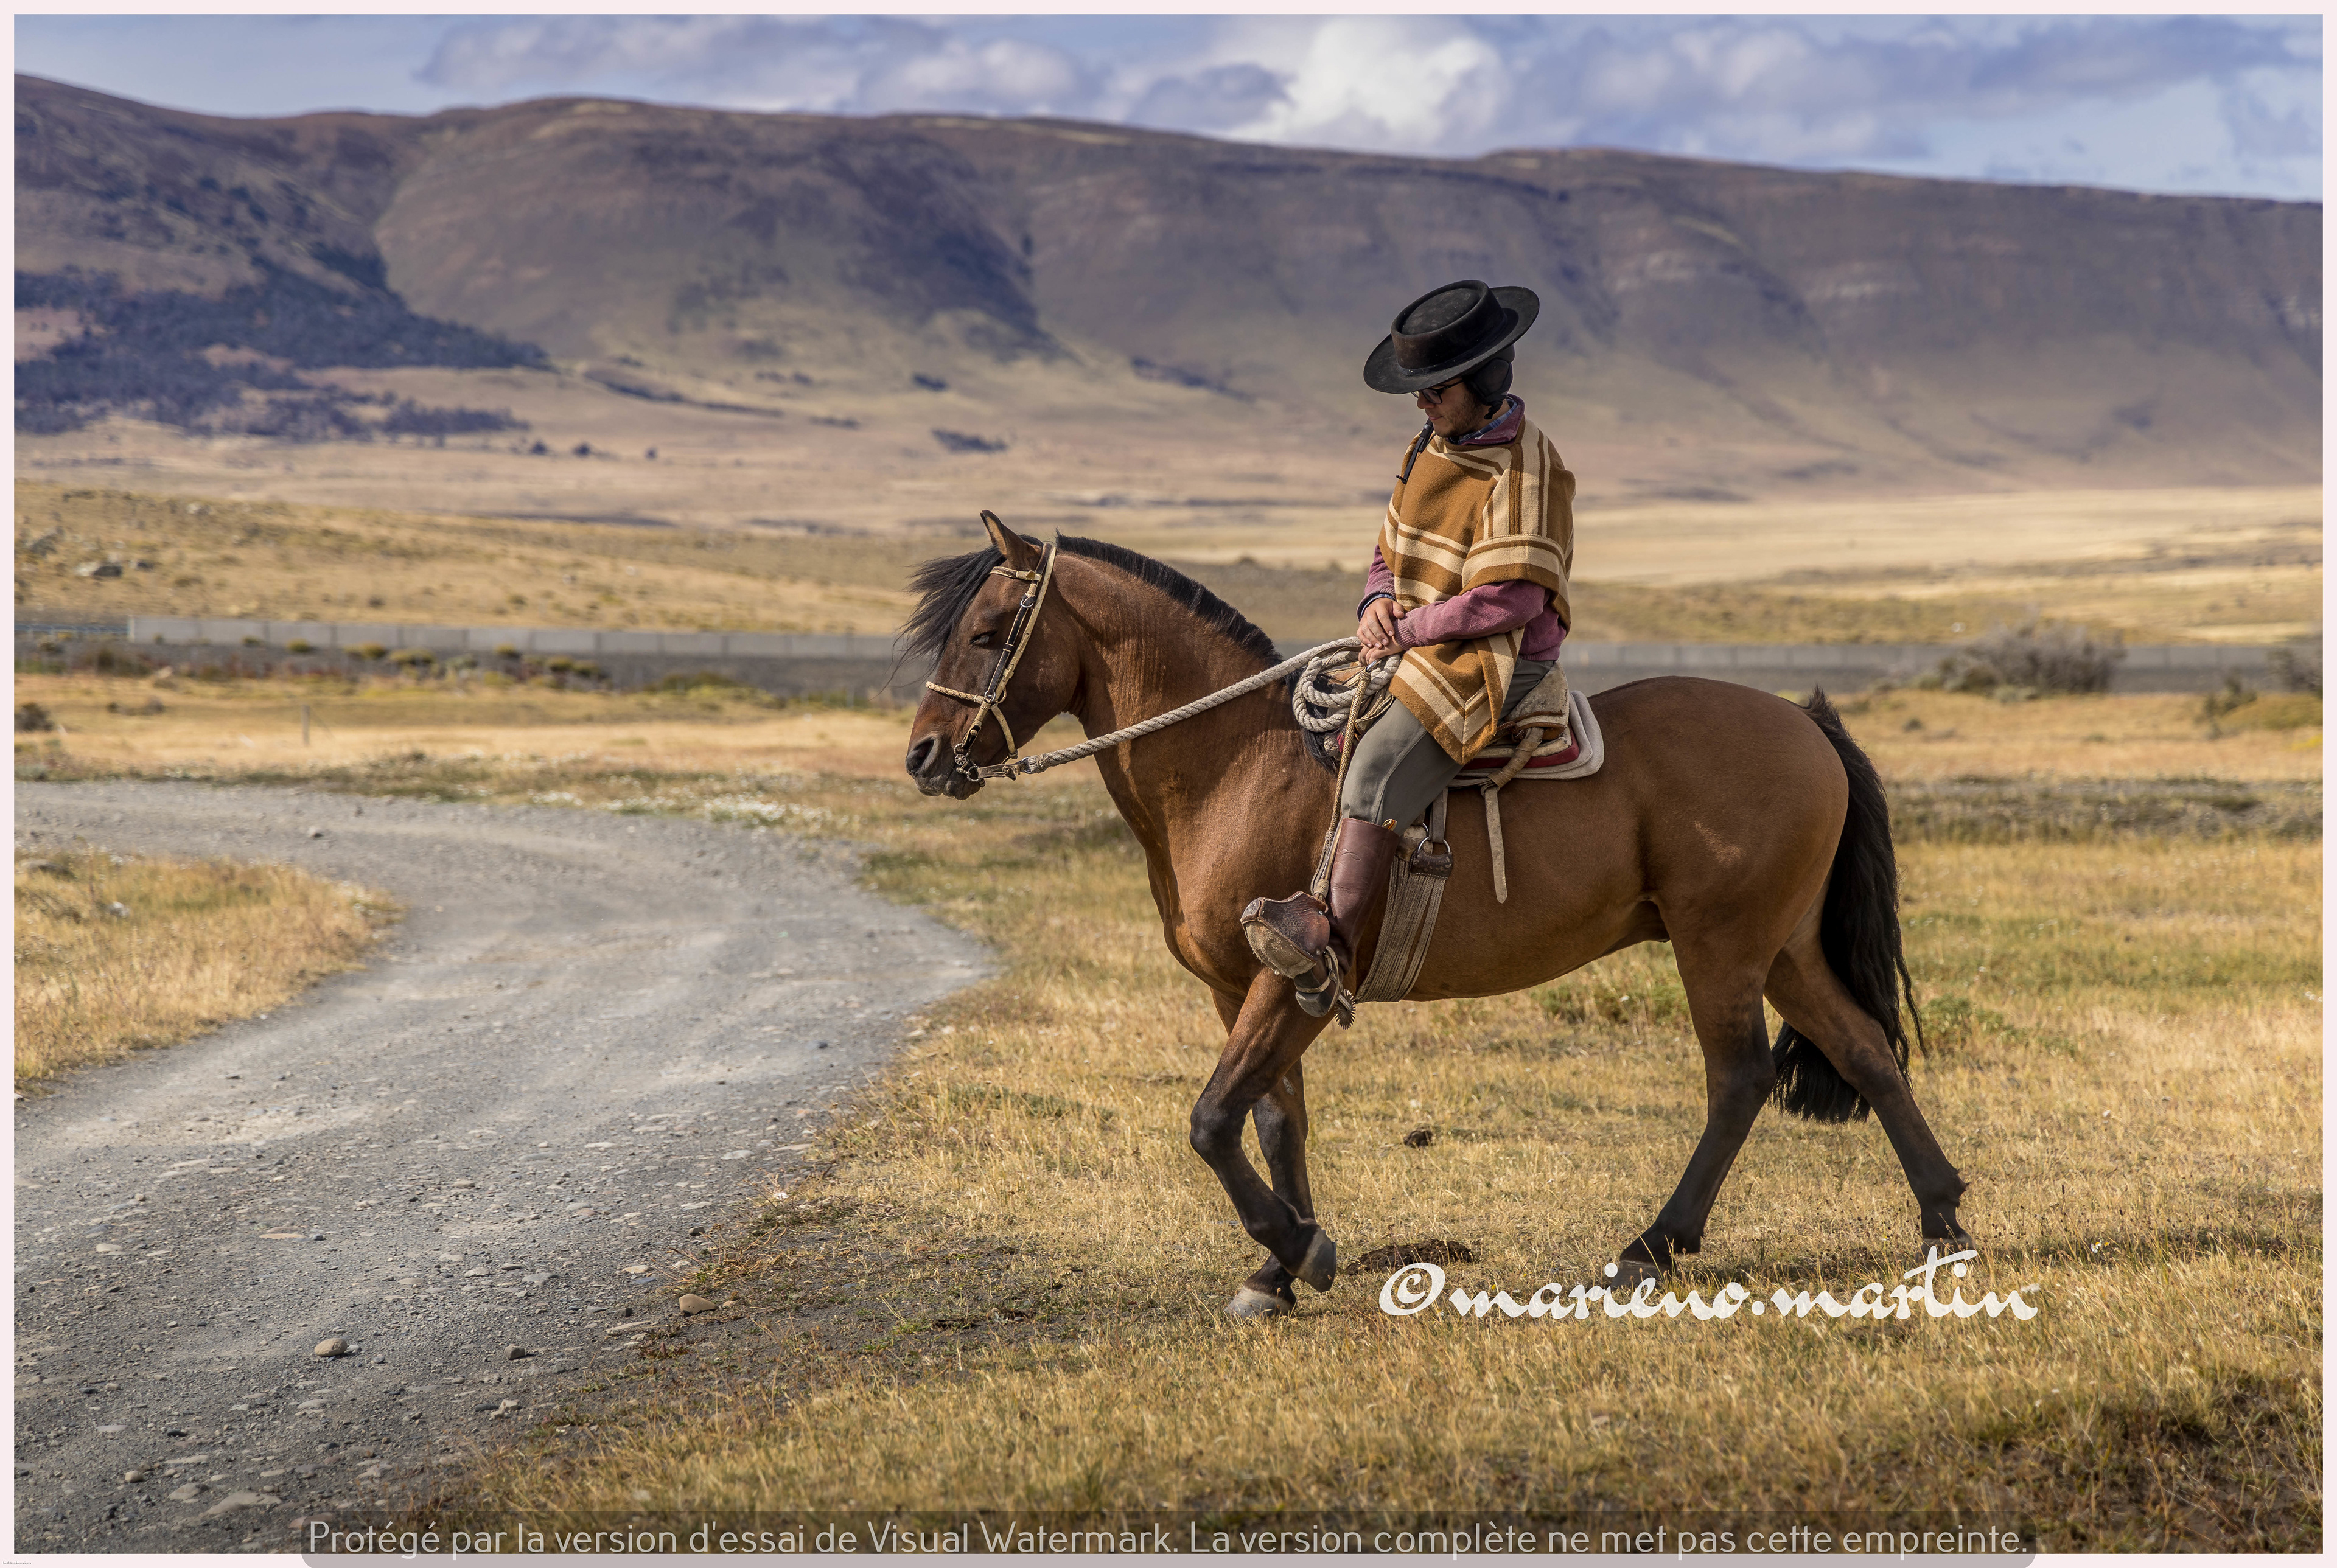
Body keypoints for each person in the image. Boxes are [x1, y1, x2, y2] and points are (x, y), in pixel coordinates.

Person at [1242, 279, 1575, 1016]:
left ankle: (1332, 948)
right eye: (1416, 392)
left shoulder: (1529, 470)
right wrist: (1374, 607)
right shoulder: (1430, 444)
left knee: (1377, 766)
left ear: (1485, 382)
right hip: (1426, 636)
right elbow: (1389, 550)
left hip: (1499, 654)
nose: (1420, 404)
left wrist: (1409, 629)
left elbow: (1512, 600)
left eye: (1435, 389)